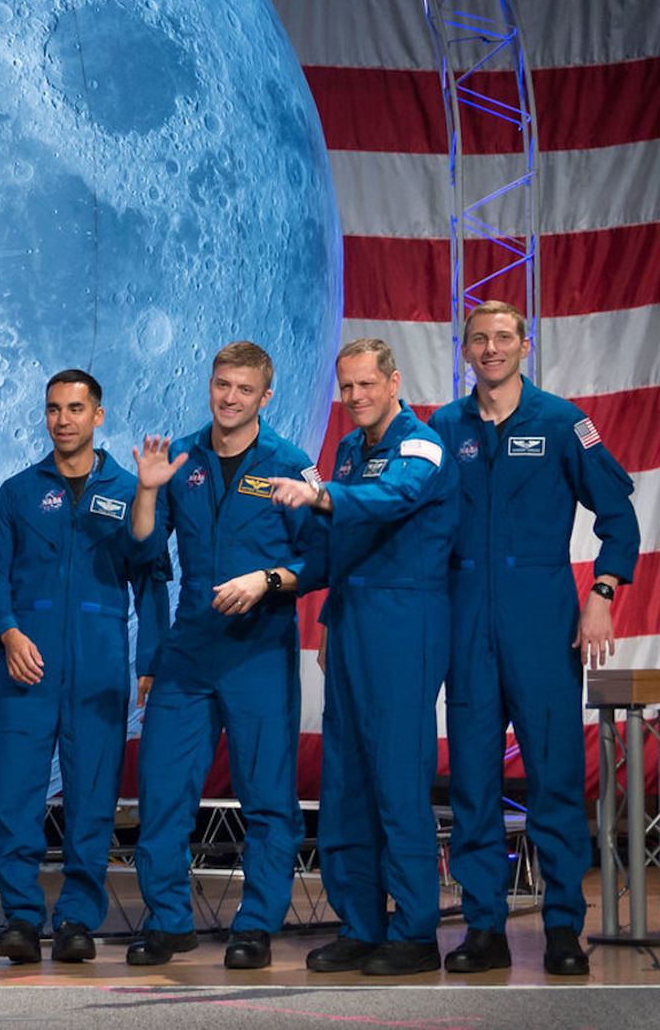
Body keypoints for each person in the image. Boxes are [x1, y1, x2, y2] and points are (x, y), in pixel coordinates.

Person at [430, 301, 639, 977]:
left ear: (526, 344)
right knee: (471, 782)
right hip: (465, 622)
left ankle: (560, 929)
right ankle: (484, 926)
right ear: (464, 350)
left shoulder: (560, 423)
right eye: (478, 340)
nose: (491, 349)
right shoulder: (443, 427)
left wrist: (602, 595)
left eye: (502, 338)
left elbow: (618, 517)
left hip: (542, 622)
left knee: (551, 777)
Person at [124, 342, 317, 970]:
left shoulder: (291, 464)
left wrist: (266, 581)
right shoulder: (181, 456)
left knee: (266, 795)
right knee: (162, 788)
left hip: (260, 648)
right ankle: (168, 920)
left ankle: (256, 923)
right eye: (220, 385)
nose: (228, 398)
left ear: (265, 396)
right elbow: (144, 553)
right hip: (191, 648)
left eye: (242, 389)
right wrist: (149, 493)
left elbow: (320, 558)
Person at [271, 337, 457, 976]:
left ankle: (414, 931)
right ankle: (361, 923)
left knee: (397, 776)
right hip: (351, 620)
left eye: (365, 386)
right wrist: (292, 570)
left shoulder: (422, 443)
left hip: (407, 620)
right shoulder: (349, 452)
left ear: (393, 381)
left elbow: (395, 501)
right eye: (345, 388)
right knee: (345, 778)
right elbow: (333, 546)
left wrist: (319, 498)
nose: (353, 399)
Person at [0, 369, 168, 964]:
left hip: (99, 664)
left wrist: (149, 660)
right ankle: (19, 918)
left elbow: (151, 571)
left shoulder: (129, 489)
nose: (64, 419)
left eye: (76, 408)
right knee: (15, 797)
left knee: (91, 798)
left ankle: (78, 920)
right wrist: (8, 634)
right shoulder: (17, 492)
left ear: (98, 415)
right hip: (26, 665)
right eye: (55, 409)